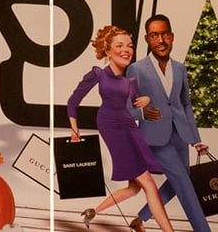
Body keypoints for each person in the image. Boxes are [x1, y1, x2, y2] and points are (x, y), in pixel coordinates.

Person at [67, 25, 173, 231]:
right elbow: (73, 101)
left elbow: (135, 103)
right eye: (119, 45)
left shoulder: (131, 79)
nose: (127, 50)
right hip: (110, 125)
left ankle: (93, 211)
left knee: (134, 188)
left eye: (130, 45)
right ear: (107, 51)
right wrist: (74, 130)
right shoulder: (98, 74)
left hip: (129, 126)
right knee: (149, 183)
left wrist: (147, 99)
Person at [125, 15, 210, 232]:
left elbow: (185, 105)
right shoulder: (137, 69)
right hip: (155, 138)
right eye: (154, 35)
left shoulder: (180, 69)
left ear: (171, 37)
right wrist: (143, 113)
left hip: (180, 135)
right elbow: (126, 108)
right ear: (147, 39)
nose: (160, 39)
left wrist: (196, 140)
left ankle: (141, 218)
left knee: (181, 179)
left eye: (164, 34)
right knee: (184, 184)